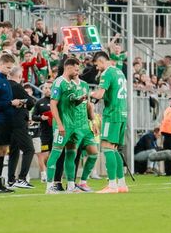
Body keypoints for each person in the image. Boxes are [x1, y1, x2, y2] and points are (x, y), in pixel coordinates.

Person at [44, 58, 98, 194]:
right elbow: (53, 104)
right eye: (76, 69)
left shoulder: (74, 84)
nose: (78, 72)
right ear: (68, 68)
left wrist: (80, 101)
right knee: (56, 153)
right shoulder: (59, 83)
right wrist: (59, 125)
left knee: (71, 154)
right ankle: (49, 186)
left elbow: (74, 103)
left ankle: (71, 185)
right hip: (63, 125)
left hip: (75, 125)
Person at [90, 51, 128, 193]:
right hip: (122, 113)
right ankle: (122, 184)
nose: (97, 68)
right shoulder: (119, 72)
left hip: (112, 114)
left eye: (96, 65)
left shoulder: (106, 73)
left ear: (101, 61)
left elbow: (100, 94)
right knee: (114, 148)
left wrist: (88, 94)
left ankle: (112, 185)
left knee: (106, 147)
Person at [0, 53, 23, 193]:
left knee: (2, 151)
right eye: (8, 67)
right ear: (0, 65)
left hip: (8, 120)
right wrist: (11, 103)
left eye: (11, 68)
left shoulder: (4, 80)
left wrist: (15, 104)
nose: (9, 70)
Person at [6, 66, 36, 189]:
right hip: (18, 123)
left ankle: (11, 180)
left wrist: (21, 103)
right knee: (29, 149)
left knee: (14, 151)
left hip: (8, 122)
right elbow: (31, 102)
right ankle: (22, 178)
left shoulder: (5, 86)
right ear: (19, 76)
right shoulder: (16, 86)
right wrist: (24, 104)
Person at [32, 81, 53, 182]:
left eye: (50, 88)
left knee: (56, 155)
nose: (47, 90)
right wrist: (41, 118)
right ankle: (46, 174)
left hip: (57, 132)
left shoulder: (58, 101)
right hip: (44, 133)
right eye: (45, 88)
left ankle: (54, 175)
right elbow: (33, 116)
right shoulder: (39, 102)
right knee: (45, 155)